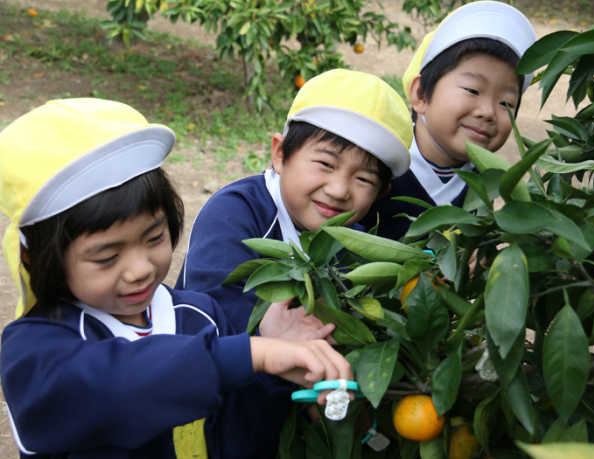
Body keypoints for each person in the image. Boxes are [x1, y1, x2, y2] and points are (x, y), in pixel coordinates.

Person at [0, 98, 352, 459]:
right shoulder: (33, 351)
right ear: (34, 256)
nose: (140, 269)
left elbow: (233, 439)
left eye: (154, 238)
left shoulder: (198, 314)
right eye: (107, 257)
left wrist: (271, 364)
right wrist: (251, 353)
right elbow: (118, 388)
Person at [176, 68, 413, 331]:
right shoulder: (234, 214)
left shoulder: (357, 248)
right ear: (280, 154)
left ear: (379, 194)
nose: (339, 190)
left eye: (364, 180)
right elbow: (209, 314)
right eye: (325, 163)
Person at [358, 1, 538, 240]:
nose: (488, 112)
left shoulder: (486, 181)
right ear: (421, 93)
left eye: (506, 103)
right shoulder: (379, 167)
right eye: (472, 90)